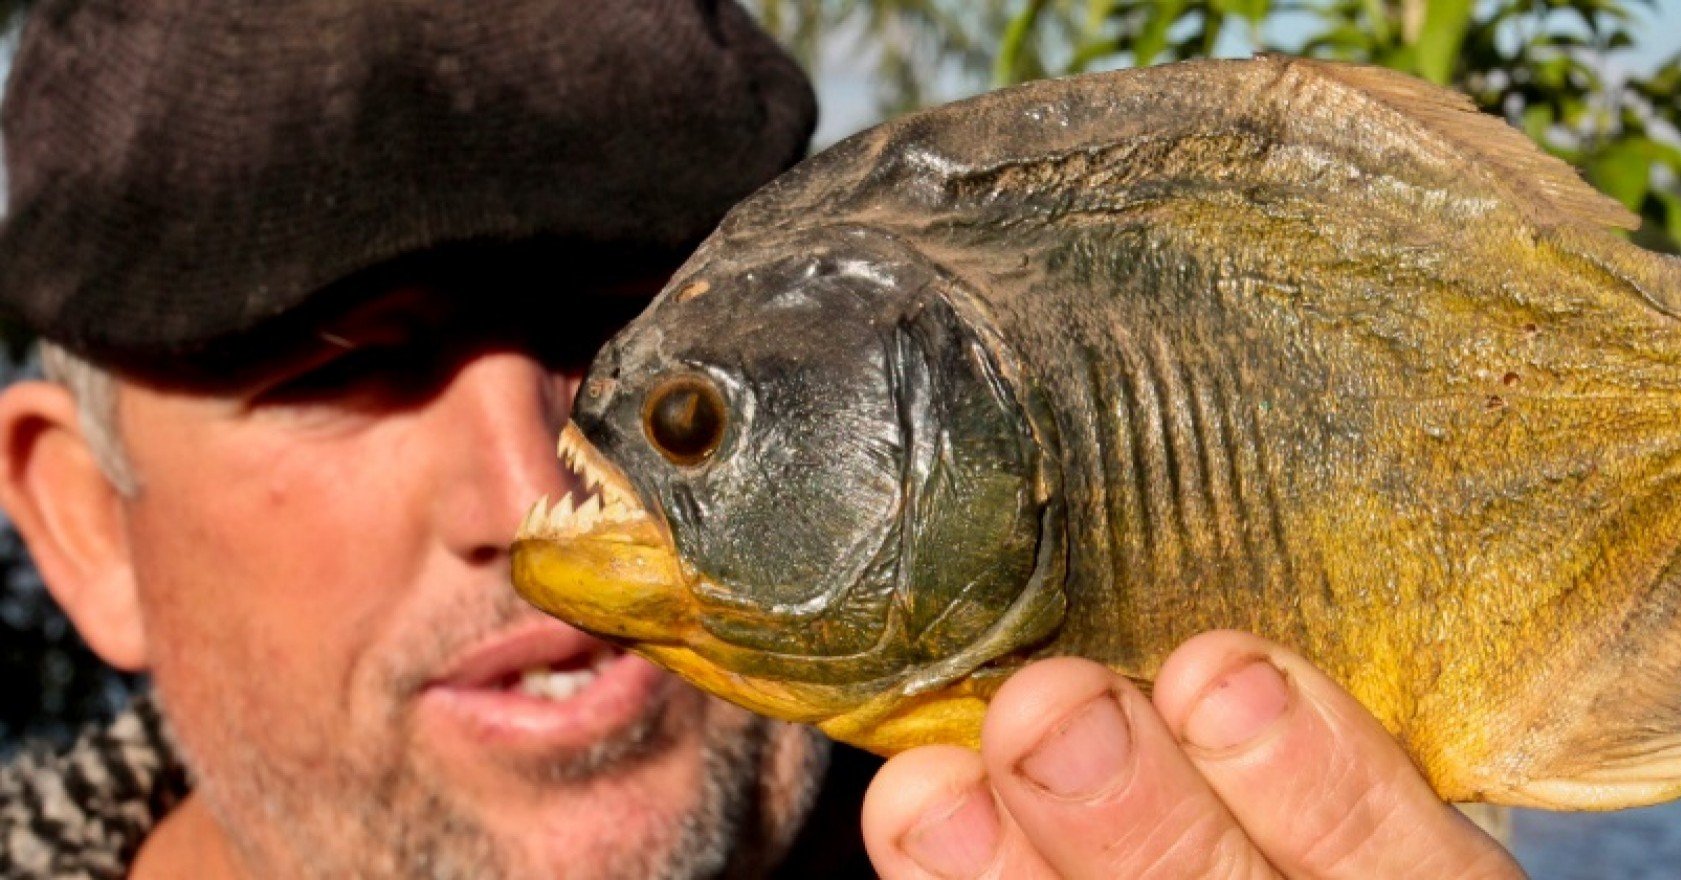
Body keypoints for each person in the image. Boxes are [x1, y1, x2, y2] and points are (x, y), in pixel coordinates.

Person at [0, 1, 1524, 878]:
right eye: (354, 369)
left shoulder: (1077, 806)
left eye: (631, 336)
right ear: (79, 521)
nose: (527, 480)